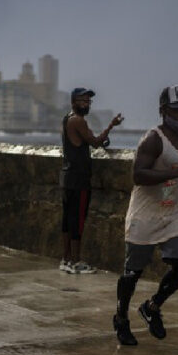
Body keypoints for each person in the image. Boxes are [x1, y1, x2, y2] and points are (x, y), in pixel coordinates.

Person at [113, 85, 178, 346]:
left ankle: (152, 307)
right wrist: (176, 174)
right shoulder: (152, 139)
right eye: (176, 110)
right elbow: (138, 175)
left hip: (171, 212)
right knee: (132, 273)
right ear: (163, 111)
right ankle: (121, 318)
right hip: (145, 213)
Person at [59, 88, 123, 274]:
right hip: (79, 179)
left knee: (67, 220)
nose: (86, 104)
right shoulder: (78, 121)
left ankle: (66, 259)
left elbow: (86, 142)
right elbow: (95, 142)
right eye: (83, 101)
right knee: (77, 220)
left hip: (67, 176)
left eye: (88, 101)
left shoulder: (66, 119)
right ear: (73, 102)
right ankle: (76, 261)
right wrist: (111, 125)